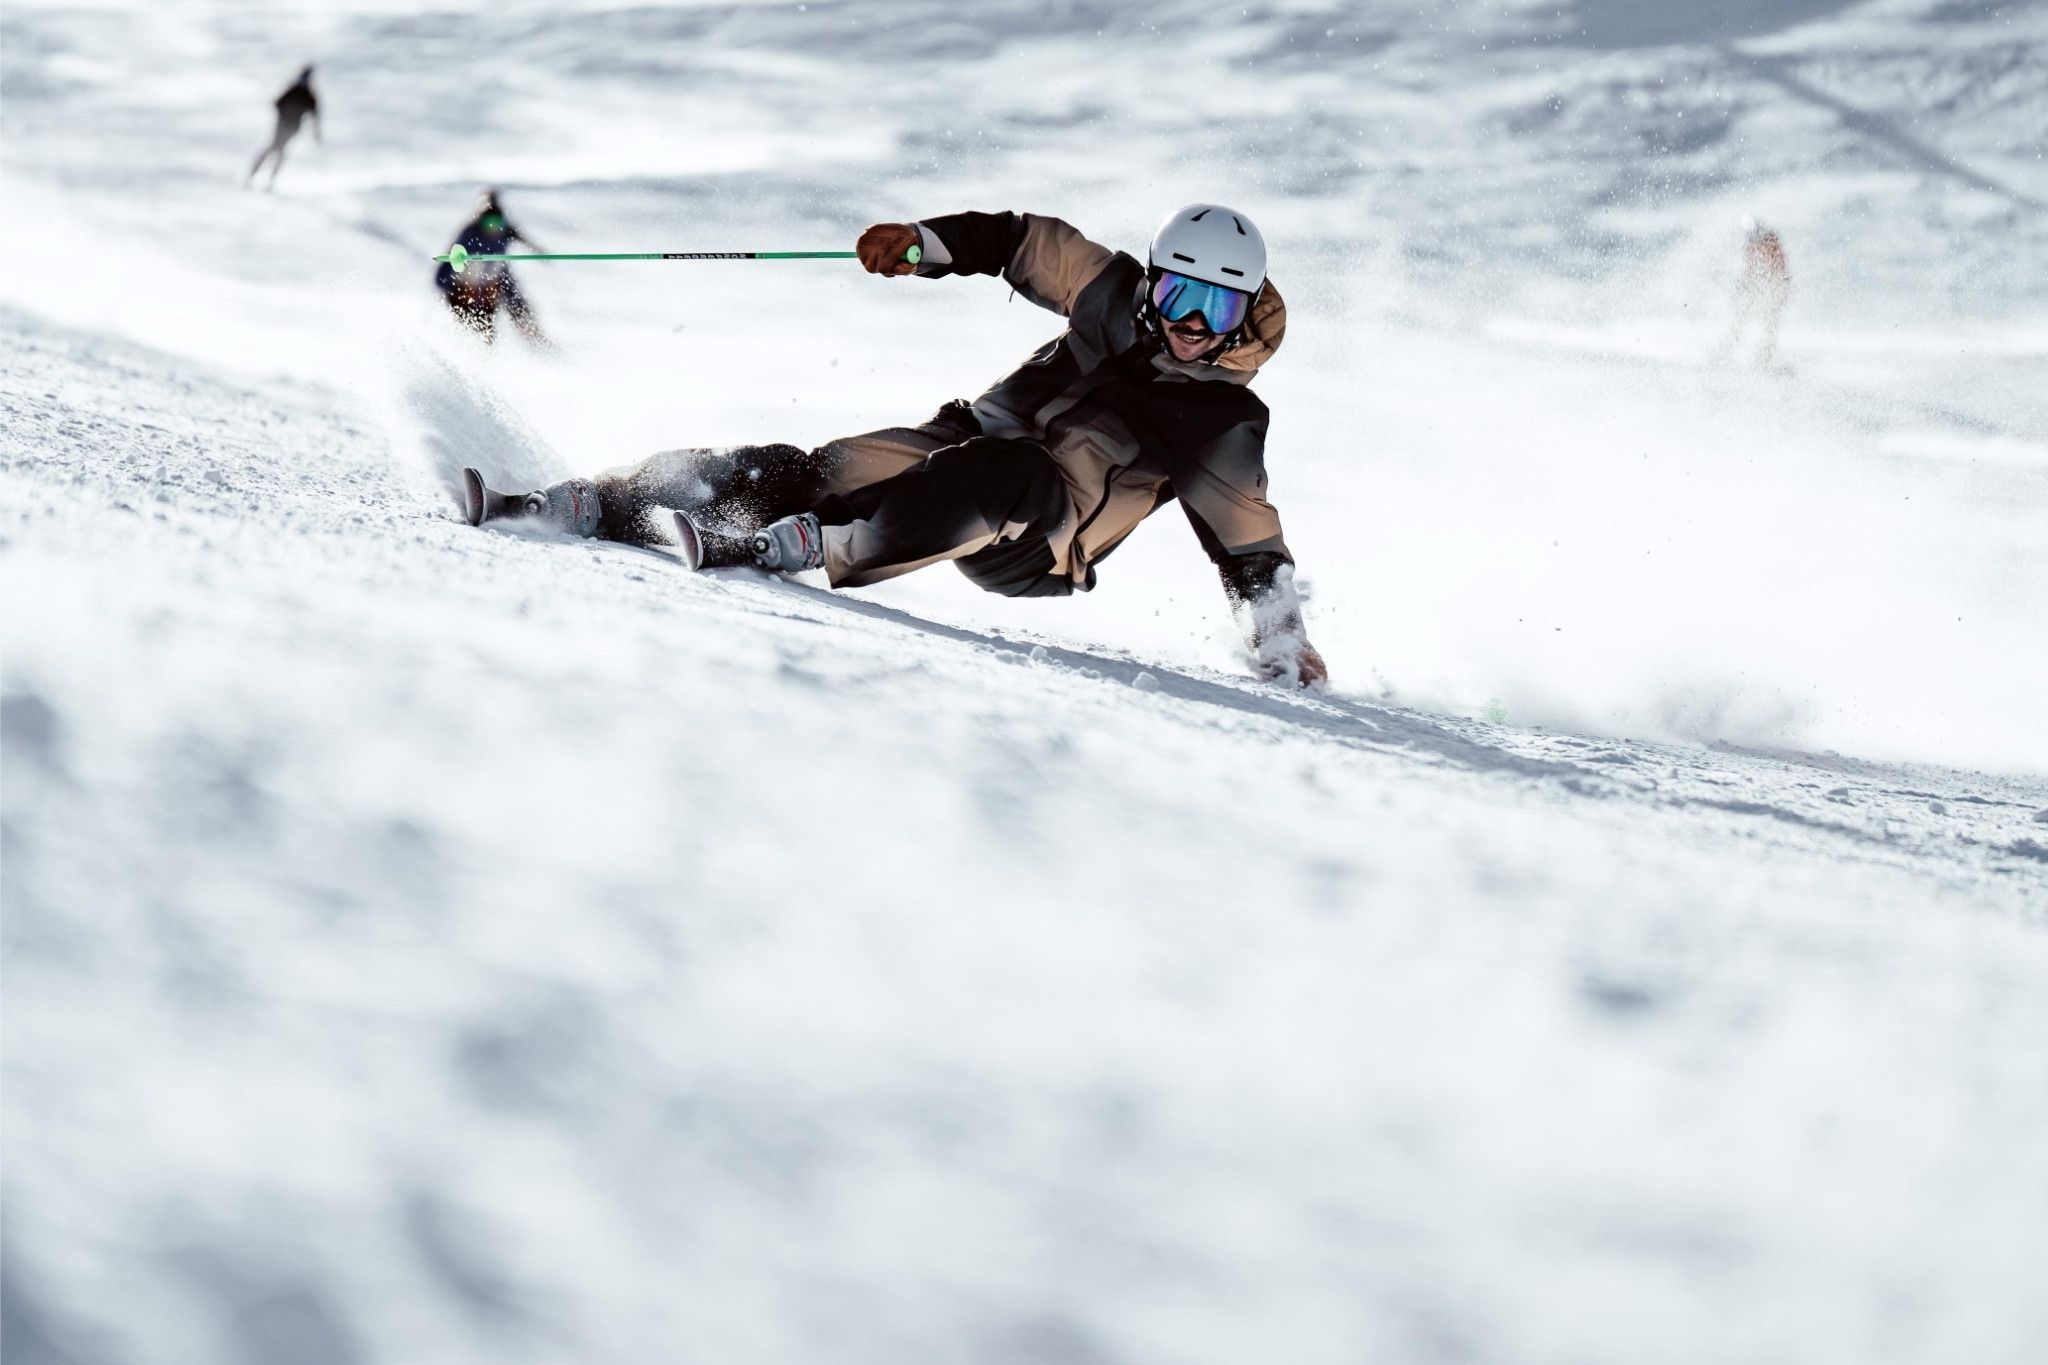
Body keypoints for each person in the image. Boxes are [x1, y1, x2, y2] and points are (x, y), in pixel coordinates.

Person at [464, 204, 1327, 687]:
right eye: (1178, 293)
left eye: (1212, 309)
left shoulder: (1224, 421)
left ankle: (818, 545)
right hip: (962, 443)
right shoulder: (1109, 292)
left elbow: (1248, 540)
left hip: (1042, 534)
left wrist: (1281, 636)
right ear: (1153, 275)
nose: (1186, 325)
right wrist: (923, 244)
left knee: (1002, 474)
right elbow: (1023, 241)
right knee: (796, 469)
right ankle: (595, 502)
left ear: (1242, 310)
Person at [434, 190, 549, 346]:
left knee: (509, 307)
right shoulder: (470, 236)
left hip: (487, 296)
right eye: (489, 223)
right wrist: (453, 289)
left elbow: (506, 273)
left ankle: (536, 340)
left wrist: (537, 251)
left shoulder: (505, 234)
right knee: (469, 334)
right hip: (463, 297)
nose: (493, 229)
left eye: (497, 223)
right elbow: (441, 275)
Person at [1719, 221, 1792, 368]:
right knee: (1745, 316)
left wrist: (1779, 289)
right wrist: (1743, 285)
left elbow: (1779, 269)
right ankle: (1727, 349)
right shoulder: (1753, 245)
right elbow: (1750, 269)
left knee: (1769, 322)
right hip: (1762, 286)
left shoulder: (1770, 241)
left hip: (1773, 286)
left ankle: (1765, 357)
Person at [245, 65, 320, 190]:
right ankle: (263, 179)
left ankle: (260, 178)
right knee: (277, 150)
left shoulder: (297, 91)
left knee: (275, 149)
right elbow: (314, 116)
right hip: (288, 127)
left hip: (286, 126)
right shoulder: (305, 94)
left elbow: (277, 103)